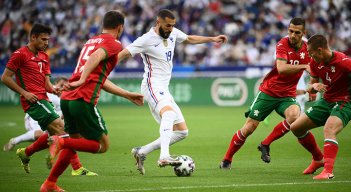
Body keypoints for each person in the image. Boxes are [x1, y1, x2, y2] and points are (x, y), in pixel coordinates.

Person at [39, 10, 144, 192]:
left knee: (73, 143)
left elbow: (100, 78)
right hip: (83, 99)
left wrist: (127, 94)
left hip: (68, 99)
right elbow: (95, 59)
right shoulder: (113, 42)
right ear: (120, 28)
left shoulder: (91, 41)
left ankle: (49, 184)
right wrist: (82, 80)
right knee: (102, 146)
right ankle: (59, 141)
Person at [117, 9, 227, 175]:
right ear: (158, 22)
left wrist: (212, 39)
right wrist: (103, 68)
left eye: (172, 25)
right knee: (168, 115)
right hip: (152, 85)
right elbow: (124, 53)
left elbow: (189, 38)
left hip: (164, 88)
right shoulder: (146, 39)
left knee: (182, 132)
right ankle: (164, 156)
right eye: (167, 25)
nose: (170, 29)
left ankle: (142, 151)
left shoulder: (173, 33)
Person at [1, 24, 95, 176]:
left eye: (48, 40)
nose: (46, 43)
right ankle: (76, 167)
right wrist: (24, 93)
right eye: (43, 39)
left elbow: (46, 84)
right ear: (33, 37)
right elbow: (5, 77)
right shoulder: (20, 54)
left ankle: (26, 152)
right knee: (64, 130)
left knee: (54, 134)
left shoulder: (44, 56)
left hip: (44, 99)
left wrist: (54, 89)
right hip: (33, 101)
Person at [220, 18, 310, 169]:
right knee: (249, 128)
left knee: (295, 116)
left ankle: (265, 143)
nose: (293, 35)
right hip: (268, 92)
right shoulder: (282, 44)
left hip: (286, 96)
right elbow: (281, 69)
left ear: (304, 33)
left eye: (297, 32)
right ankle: (227, 159)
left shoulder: (308, 48)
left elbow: (315, 66)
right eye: (291, 31)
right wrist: (304, 66)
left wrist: (312, 84)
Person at [290, 34, 351, 179]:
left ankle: (328, 171)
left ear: (320, 50)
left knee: (329, 129)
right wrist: (313, 86)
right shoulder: (314, 63)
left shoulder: (343, 62)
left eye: (311, 53)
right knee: (296, 127)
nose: (310, 57)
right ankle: (318, 159)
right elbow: (310, 88)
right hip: (326, 101)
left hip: (345, 101)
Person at [3, 77, 67, 152]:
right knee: (39, 134)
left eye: (64, 86)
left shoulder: (62, 97)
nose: (62, 88)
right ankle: (14, 141)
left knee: (59, 133)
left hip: (49, 118)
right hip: (34, 118)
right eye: (61, 85)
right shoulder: (50, 92)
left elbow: (62, 113)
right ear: (55, 83)